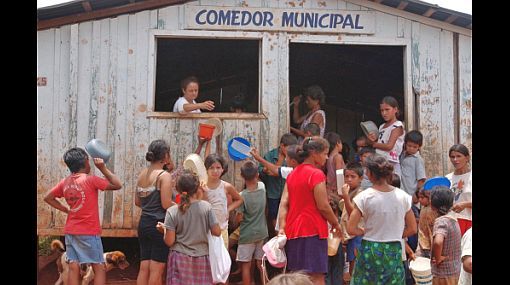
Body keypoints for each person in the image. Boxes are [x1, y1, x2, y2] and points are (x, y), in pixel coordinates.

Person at [44, 147, 122, 285]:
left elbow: (48, 197)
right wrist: (103, 168)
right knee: (99, 267)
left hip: (71, 231)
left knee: (73, 266)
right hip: (89, 231)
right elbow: (117, 185)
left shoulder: (65, 182)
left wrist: (65, 209)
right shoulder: (90, 180)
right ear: (86, 162)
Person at [278, 137, 343, 285]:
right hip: (313, 229)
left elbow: (284, 203)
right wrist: (336, 224)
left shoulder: (292, 174)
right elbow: (323, 206)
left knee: (296, 277)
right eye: (325, 153)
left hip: (293, 230)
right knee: (317, 277)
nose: (327, 157)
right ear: (314, 153)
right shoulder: (316, 174)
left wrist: (282, 226)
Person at [346, 154, 417, 285]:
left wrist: (362, 231)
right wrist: (395, 233)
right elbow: (413, 228)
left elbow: (350, 228)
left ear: (370, 174)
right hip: (394, 249)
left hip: (370, 248)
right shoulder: (403, 197)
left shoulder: (364, 197)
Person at [160, 170, 221, 285]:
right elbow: (217, 232)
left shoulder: (172, 211)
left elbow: (169, 241)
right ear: (197, 188)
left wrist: (164, 230)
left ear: (177, 189)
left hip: (179, 258)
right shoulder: (207, 207)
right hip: (202, 258)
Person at [135, 140, 175, 285]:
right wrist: (181, 207)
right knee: (157, 269)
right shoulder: (164, 176)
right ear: (165, 156)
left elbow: (138, 202)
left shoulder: (142, 174)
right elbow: (166, 204)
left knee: (144, 267)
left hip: (143, 223)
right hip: (159, 225)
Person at [236, 161, 268, 285]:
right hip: (262, 232)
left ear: (242, 176)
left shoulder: (242, 196)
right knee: (261, 264)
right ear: (257, 174)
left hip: (247, 235)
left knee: (246, 266)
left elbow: (239, 219)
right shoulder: (262, 187)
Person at [258, 133, 298, 234]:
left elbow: (277, 172)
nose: (290, 151)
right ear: (282, 146)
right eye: (289, 148)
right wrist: (265, 170)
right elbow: (261, 170)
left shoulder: (292, 157)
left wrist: (272, 171)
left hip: (288, 192)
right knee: (274, 216)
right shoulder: (270, 155)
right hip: (273, 192)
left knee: (289, 215)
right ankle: (278, 237)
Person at [203, 154, 244, 249]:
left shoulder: (226, 186)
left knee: (222, 260)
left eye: (218, 167)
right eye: (211, 168)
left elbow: (239, 199)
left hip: (222, 229)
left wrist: (228, 209)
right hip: (206, 231)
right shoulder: (202, 187)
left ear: (222, 169)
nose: (215, 171)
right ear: (206, 170)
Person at [429, 186, 462, 285]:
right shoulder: (453, 219)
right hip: (455, 271)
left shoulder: (441, 221)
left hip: (443, 274)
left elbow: (438, 242)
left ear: (432, 205)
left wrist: (438, 258)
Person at [366, 96, 405, 177]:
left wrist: (372, 144)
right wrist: (371, 139)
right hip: (379, 162)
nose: (384, 113)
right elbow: (379, 142)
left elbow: (389, 146)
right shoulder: (382, 126)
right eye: (382, 110)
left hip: (391, 164)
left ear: (395, 109)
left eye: (387, 109)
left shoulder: (397, 126)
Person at [338, 162, 364, 283]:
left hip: (357, 235)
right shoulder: (349, 192)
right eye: (347, 176)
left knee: (355, 268)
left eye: (353, 177)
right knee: (351, 266)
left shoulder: (360, 194)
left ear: (361, 179)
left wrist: (346, 197)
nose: (349, 180)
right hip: (350, 236)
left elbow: (352, 214)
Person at [445, 144, 472, 236]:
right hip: (451, 222)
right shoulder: (447, 179)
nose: (455, 160)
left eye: (458, 156)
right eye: (452, 157)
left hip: (469, 222)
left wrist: (465, 204)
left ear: (467, 158)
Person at [400, 130, 427, 196]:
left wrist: (417, 195)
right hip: (402, 192)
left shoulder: (417, 159)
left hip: (411, 195)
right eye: (409, 146)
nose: (411, 148)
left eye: (415, 147)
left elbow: (421, 180)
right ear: (405, 144)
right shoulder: (402, 155)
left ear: (419, 147)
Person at [416, 188, 437, 258]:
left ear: (429, 198)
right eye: (419, 197)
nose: (420, 200)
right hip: (422, 239)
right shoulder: (423, 208)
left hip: (431, 240)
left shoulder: (433, 209)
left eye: (422, 197)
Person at [324, 132, 345, 199]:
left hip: (329, 189)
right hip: (336, 191)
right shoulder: (338, 157)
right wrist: (341, 193)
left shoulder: (328, 157)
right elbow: (339, 176)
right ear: (338, 143)